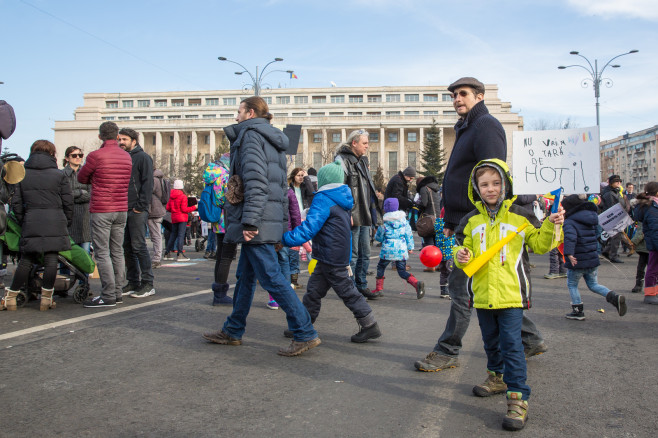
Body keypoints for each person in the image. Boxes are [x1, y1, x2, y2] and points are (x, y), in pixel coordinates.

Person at [415, 77, 547, 372]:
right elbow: (460, 178)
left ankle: (448, 350)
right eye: (453, 95)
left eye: (462, 94)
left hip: (478, 222)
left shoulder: (486, 125)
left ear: (480, 96)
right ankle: (531, 338)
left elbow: (491, 177)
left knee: (462, 286)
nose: (457, 99)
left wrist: (477, 219)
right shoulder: (466, 127)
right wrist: (449, 221)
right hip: (462, 221)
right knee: (472, 284)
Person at [202, 96, 319, 356]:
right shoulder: (269, 137)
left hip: (258, 221)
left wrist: (251, 221)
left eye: (239, 111)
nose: (236, 117)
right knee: (245, 277)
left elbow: (256, 181)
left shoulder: (251, 136)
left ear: (251, 113)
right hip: (266, 218)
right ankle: (233, 330)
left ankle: (305, 332)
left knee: (272, 278)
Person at [453, 159, 564, 431]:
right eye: (484, 184)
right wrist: (461, 255)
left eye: (496, 183)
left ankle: (518, 398)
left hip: (512, 296)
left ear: (506, 184)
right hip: (481, 295)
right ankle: (496, 378)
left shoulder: (520, 216)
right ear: (476, 189)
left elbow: (541, 244)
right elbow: (460, 252)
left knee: (512, 346)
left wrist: (553, 224)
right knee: (490, 343)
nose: (490, 189)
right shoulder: (471, 220)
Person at [282, 161, 382, 343]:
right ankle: (303, 325)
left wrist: (285, 239)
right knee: (314, 291)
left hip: (330, 254)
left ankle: (369, 325)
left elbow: (309, 228)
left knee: (347, 291)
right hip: (332, 253)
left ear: (323, 180)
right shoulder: (342, 198)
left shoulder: (324, 198)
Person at [1, 140, 73, 311]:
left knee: (26, 260)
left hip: (31, 219)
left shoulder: (23, 174)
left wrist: (23, 219)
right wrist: (66, 220)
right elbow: (68, 202)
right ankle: (46, 299)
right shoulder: (59, 175)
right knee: (50, 259)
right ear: (51, 154)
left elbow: (16, 203)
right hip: (55, 220)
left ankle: (11, 297)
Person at [78, 121, 132, 308]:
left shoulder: (95, 156)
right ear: (117, 136)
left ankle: (108, 295)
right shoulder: (126, 157)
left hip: (102, 208)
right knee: (117, 251)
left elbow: (81, 177)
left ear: (100, 136)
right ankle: (117, 292)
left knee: (102, 253)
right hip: (121, 208)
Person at [561, 194, 627, 320]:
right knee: (593, 284)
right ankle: (614, 297)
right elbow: (598, 234)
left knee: (572, 284)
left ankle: (577, 311)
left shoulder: (570, 221)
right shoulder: (592, 217)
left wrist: (568, 254)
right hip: (591, 257)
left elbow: (570, 238)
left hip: (577, 259)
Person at [335, 129, 382, 299]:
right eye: (364, 143)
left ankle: (361, 285)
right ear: (354, 143)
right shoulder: (342, 160)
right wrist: (346, 213)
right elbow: (340, 189)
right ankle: (350, 288)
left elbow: (367, 190)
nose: (367, 146)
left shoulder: (362, 161)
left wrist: (375, 213)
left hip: (365, 214)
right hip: (353, 214)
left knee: (365, 253)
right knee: (353, 254)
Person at [118, 128, 155, 298]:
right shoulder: (122, 157)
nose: (121, 142)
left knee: (139, 246)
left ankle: (148, 283)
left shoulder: (143, 158)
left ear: (134, 140)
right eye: (119, 139)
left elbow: (148, 184)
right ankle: (133, 282)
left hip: (137, 209)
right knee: (127, 247)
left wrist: (140, 206)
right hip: (123, 208)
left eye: (124, 139)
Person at [372, 198, 424, 298]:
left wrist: (381, 238)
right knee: (402, 271)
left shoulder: (384, 222)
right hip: (401, 250)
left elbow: (378, 237)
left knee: (381, 267)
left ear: (385, 208)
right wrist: (410, 247)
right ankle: (416, 283)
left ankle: (379, 289)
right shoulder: (404, 222)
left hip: (387, 250)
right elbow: (409, 235)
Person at [203, 154, 236, 306]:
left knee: (221, 256)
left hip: (217, 219)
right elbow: (226, 198)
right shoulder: (225, 175)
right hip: (227, 218)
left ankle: (218, 291)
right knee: (226, 257)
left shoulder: (212, 173)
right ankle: (220, 293)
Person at [631, 182, 658, 305]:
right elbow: (655, 228)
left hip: (653, 242)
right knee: (652, 268)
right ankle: (650, 294)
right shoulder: (652, 207)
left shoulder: (652, 205)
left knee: (653, 268)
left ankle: (653, 292)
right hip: (655, 242)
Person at [62, 146, 91, 253]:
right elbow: (63, 195)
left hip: (85, 218)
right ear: (67, 158)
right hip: (68, 217)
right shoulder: (62, 174)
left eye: (80, 155)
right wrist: (80, 192)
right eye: (74, 155)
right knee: (67, 254)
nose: (78, 157)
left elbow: (91, 194)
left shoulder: (87, 174)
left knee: (85, 255)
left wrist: (72, 196)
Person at [288, 167, 311, 290]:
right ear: (293, 176)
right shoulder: (289, 188)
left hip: (303, 217)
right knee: (293, 248)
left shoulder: (304, 188)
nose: (301, 177)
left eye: (303, 175)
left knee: (302, 243)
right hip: (292, 218)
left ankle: (293, 279)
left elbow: (312, 193)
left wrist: (307, 178)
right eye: (299, 175)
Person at [164, 180, 196, 262]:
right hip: (182, 218)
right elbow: (184, 209)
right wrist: (194, 207)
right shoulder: (183, 196)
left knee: (173, 235)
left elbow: (168, 208)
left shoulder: (171, 196)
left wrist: (174, 210)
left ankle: (167, 252)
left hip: (174, 217)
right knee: (181, 235)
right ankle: (180, 253)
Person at [601, 175, 629, 263]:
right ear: (611, 183)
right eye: (617, 182)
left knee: (614, 236)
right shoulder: (609, 193)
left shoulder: (615, 192)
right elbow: (612, 208)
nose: (619, 183)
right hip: (614, 217)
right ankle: (613, 255)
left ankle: (607, 251)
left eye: (620, 182)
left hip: (617, 216)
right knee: (616, 237)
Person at [416, 175, 441, 257]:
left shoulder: (424, 188)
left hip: (429, 219)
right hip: (438, 217)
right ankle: (438, 263)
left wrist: (417, 206)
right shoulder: (436, 189)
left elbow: (424, 203)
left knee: (429, 242)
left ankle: (431, 265)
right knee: (437, 242)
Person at [148, 168, 167, 268]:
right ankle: (157, 257)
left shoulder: (153, 180)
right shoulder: (160, 179)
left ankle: (156, 258)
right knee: (157, 235)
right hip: (158, 209)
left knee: (156, 236)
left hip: (154, 210)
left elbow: (148, 192)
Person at [435, 209, 455, 299]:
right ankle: (451, 292)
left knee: (443, 272)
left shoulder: (438, 225)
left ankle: (443, 291)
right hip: (450, 253)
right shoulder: (451, 226)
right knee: (451, 273)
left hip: (440, 255)